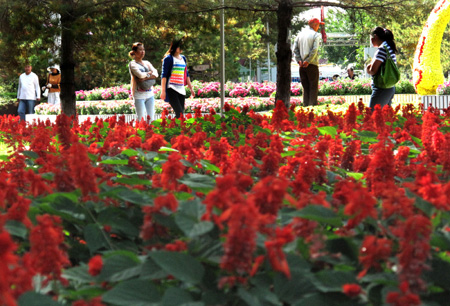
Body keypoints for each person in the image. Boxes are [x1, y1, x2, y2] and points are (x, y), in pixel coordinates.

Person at [293, 18, 324, 106]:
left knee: (305, 87)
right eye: (318, 25)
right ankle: (312, 108)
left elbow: (295, 49)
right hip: (312, 64)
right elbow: (315, 49)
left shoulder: (299, 35)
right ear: (314, 25)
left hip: (301, 66)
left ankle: (305, 107)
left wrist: (299, 61)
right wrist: (308, 61)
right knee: (313, 87)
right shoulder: (315, 35)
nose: (318, 27)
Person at [160, 39, 194, 118]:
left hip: (181, 89)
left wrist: (191, 88)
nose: (181, 48)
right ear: (174, 47)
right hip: (171, 88)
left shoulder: (183, 58)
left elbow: (186, 74)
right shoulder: (168, 59)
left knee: (181, 115)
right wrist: (163, 91)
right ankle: (173, 128)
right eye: (179, 46)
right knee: (179, 114)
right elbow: (164, 75)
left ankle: (172, 127)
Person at [366, 27, 398, 110]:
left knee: (372, 116)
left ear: (375, 37)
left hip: (381, 88)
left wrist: (368, 68)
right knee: (385, 118)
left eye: (371, 38)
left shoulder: (382, 49)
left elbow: (373, 70)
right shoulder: (389, 48)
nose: (371, 40)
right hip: (389, 87)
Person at [129, 42, 158, 122]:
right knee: (141, 119)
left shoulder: (147, 63)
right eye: (140, 50)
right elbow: (140, 75)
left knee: (151, 119)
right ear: (134, 52)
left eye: (143, 50)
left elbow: (156, 74)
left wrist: (146, 78)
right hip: (139, 96)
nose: (142, 52)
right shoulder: (132, 64)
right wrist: (149, 74)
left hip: (150, 95)